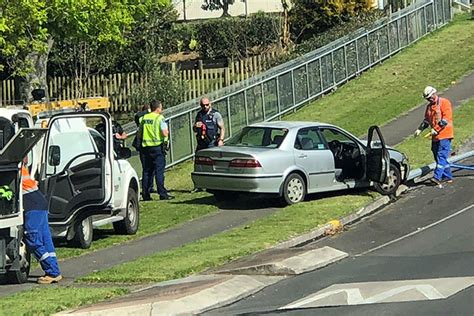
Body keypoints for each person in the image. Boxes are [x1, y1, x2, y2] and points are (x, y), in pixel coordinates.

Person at [22, 156, 62, 284]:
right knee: (45, 239)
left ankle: (52, 271)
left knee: (32, 238)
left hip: (32, 204)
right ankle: (54, 270)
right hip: (39, 201)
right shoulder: (19, 165)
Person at [414, 86, 454, 185]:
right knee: (438, 156)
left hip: (445, 135)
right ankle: (448, 176)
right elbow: (427, 120)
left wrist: (436, 129)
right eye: (427, 99)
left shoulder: (444, 103)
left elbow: (446, 119)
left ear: (434, 94)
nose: (429, 99)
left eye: (429, 97)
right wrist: (420, 129)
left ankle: (437, 177)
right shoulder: (429, 107)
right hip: (435, 136)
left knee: (441, 156)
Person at [137, 100, 173, 201]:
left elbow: (139, 132)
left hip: (146, 148)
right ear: (158, 108)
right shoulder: (159, 118)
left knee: (147, 172)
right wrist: (166, 137)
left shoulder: (144, 118)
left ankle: (145, 194)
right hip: (157, 148)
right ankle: (162, 193)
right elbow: (164, 133)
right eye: (161, 107)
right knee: (159, 171)